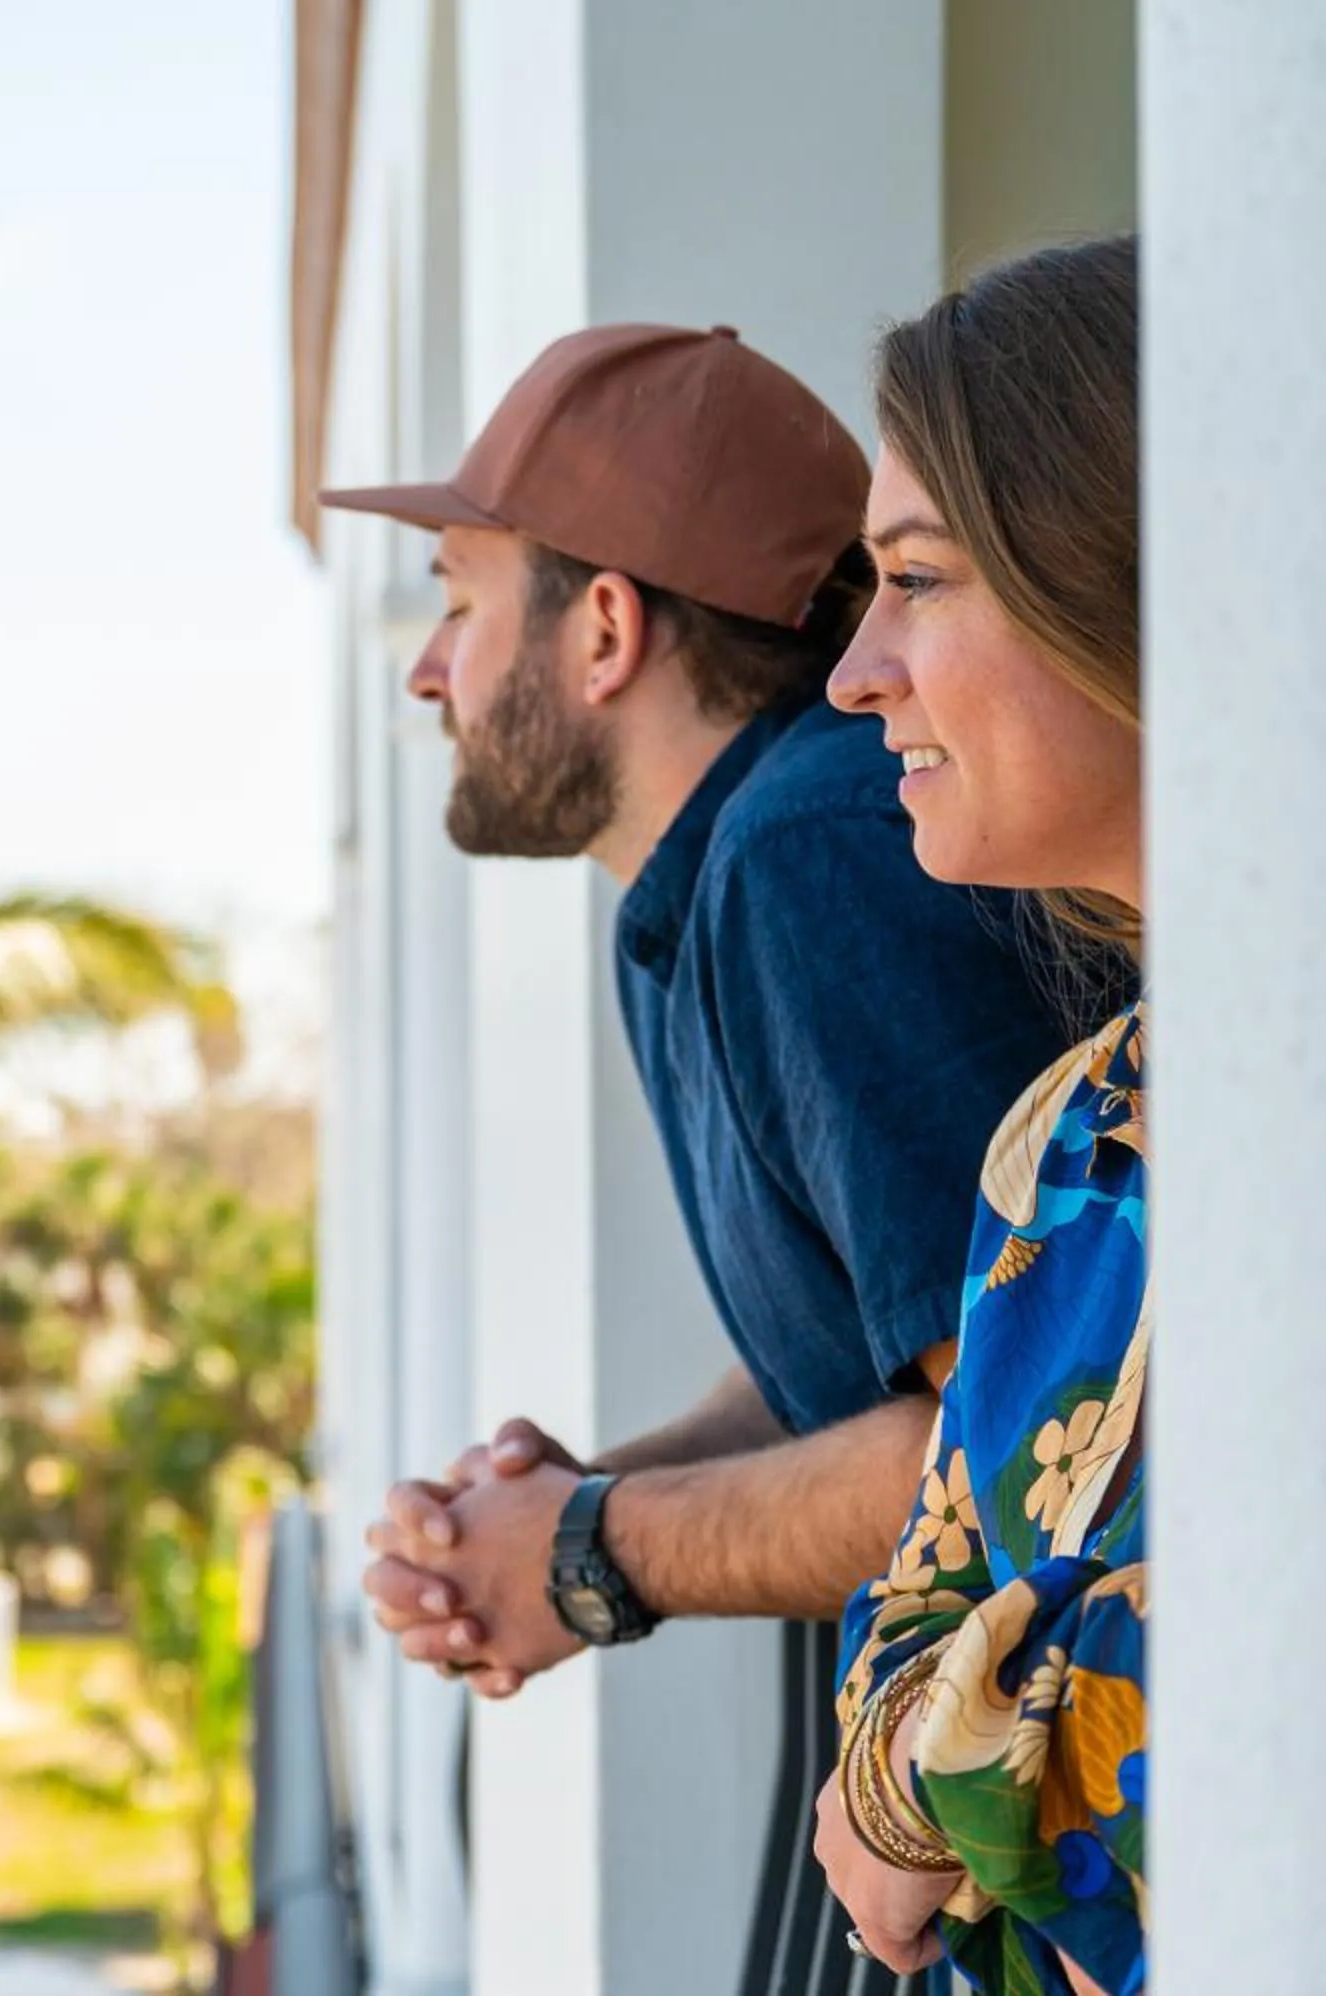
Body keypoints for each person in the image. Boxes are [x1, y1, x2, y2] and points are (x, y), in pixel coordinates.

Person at [317, 325, 1079, 1983]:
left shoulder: (810, 854)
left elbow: (1010, 1456)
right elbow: (859, 1356)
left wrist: (591, 1555)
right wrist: (580, 1498)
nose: (426, 670)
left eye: (458, 597)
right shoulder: (702, 894)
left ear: (603, 626)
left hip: (1025, 1840)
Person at [809, 236, 1147, 1996]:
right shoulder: (1062, 1133)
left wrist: (930, 1783)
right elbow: (916, 1598)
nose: (858, 672)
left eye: (918, 578)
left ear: (1123, 578)